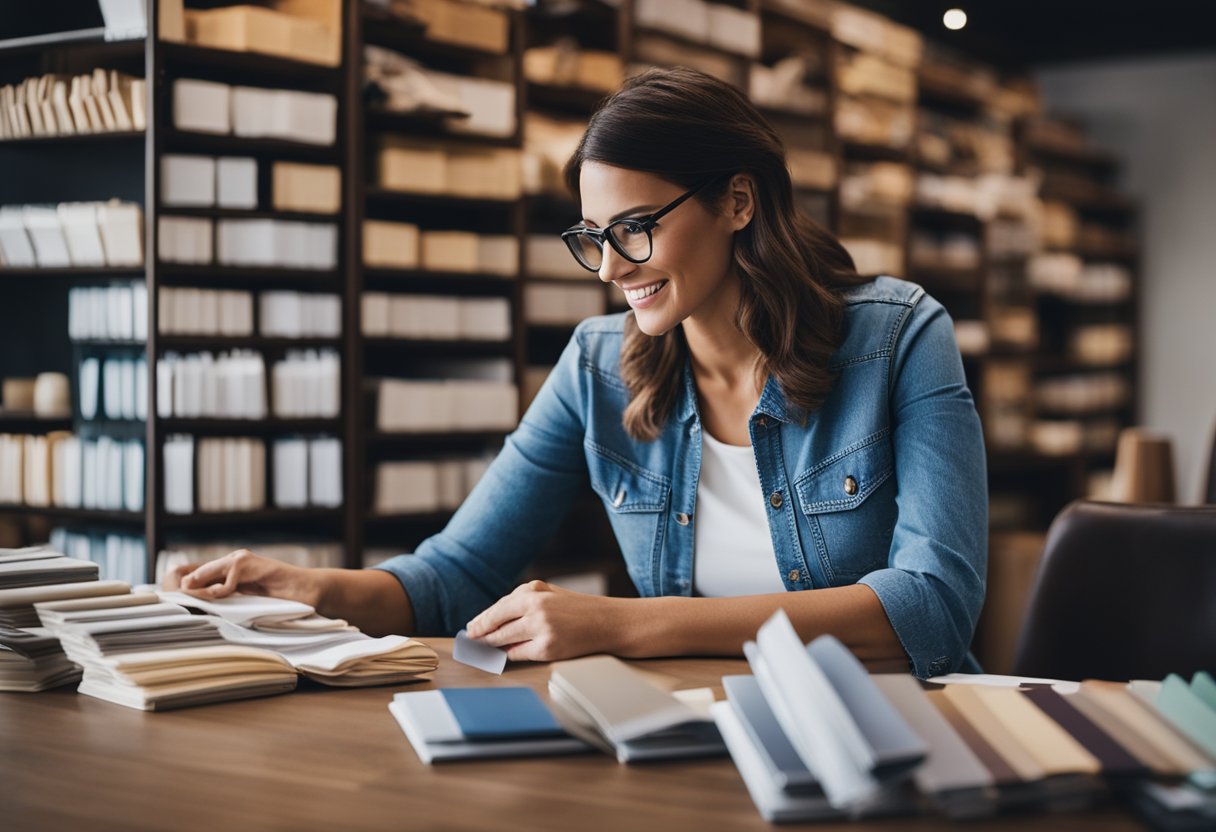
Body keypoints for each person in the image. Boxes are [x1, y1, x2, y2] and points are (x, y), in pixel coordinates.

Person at [165, 67, 987, 678]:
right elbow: (459, 573)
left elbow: (934, 608)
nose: (611, 269)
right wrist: (311, 588)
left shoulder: (901, 336)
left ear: (738, 202)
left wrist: (624, 625)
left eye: (634, 229)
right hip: (699, 733)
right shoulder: (598, 363)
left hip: (892, 728)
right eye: (593, 237)